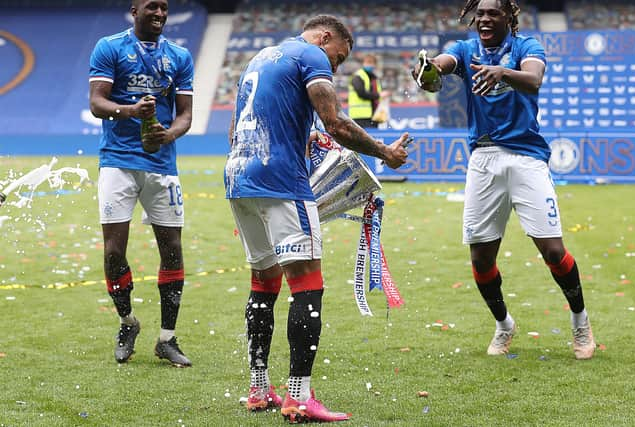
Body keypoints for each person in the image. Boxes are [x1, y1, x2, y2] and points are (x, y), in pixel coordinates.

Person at [224, 15, 410, 422]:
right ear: (325, 37)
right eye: (338, 57)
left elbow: (235, 128)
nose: (337, 66)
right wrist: (385, 153)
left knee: (264, 281)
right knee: (307, 282)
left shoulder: (261, 58)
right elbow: (336, 123)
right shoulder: (311, 55)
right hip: (281, 181)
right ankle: (298, 396)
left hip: (239, 179)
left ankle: (259, 389)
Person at [412, 0, 596, 359]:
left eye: (492, 12)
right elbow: (443, 64)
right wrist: (428, 70)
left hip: (527, 158)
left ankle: (580, 322)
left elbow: (534, 79)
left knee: (554, 251)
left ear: (508, 17)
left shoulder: (526, 47)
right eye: (479, 13)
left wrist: (502, 72)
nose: (483, 18)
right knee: (481, 259)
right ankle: (503, 325)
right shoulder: (464, 50)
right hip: (484, 158)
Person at [89, 0, 193, 367]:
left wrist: (168, 136)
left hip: (162, 165)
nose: (160, 14)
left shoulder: (179, 56)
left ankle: (167, 338)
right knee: (113, 251)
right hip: (117, 161)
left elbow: (185, 116)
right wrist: (130, 111)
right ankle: (127, 322)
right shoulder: (110, 47)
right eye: (152, 7)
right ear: (134, 10)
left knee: (173, 249)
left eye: (164, 8)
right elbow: (97, 102)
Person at [348, 54, 391, 128]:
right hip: (360, 116)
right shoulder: (358, 76)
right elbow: (361, 93)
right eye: (368, 62)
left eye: (371, 63)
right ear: (363, 63)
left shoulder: (374, 78)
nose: (369, 65)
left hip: (374, 115)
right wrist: (379, 95)